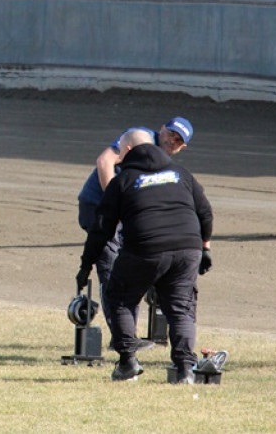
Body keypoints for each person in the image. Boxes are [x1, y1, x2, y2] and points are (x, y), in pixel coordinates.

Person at [77, 129, 214, 384]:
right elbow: (205, 212)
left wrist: (86, 265)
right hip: (187, 248)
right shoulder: (181, 174)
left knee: (120, 298)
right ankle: (185, 368)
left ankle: (128, 362)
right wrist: (205, 248)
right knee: (180, 308)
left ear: (128, 151)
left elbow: (101, 229)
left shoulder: (123, 180)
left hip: (145, 248)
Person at [76, 117, 193, 339]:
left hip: (127, 214)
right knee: (110, 265)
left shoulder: (164, 163)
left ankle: (130, 334)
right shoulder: (140, 137)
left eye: (178, 140)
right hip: (97, 205)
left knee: (132, 267)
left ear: (182, 147)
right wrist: (115, 203)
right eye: (171, 133)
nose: (172, 140)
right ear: (162, 128)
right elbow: (104, 161)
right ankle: (121, 337)